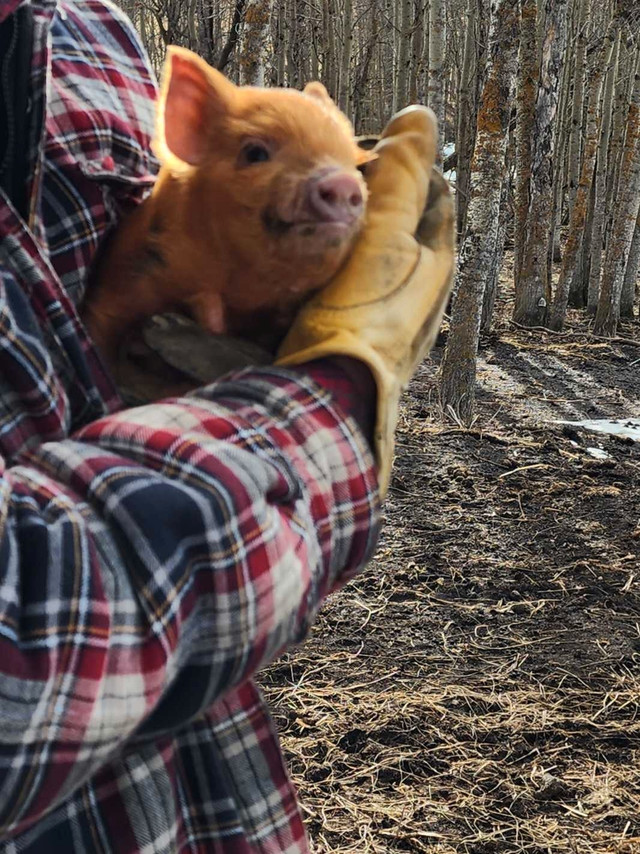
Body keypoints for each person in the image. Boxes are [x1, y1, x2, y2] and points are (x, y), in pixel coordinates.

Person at [0, 1, 454, 852]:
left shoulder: (83, 35)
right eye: (253, 152)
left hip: (198, 798)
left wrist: (267, 324)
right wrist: (328, 397)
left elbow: (172, 252)